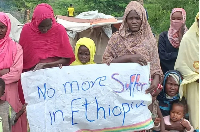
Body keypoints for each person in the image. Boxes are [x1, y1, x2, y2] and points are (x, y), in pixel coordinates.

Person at [18, 3, 75, 104]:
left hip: (55, 81)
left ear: (53, 20)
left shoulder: (59, 30)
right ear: (35, 21)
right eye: (41, 26)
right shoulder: (27, 31)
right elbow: (22, 62)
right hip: (34, 82)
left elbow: (67, 59)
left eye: (48, 26)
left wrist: (47, 65)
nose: (45, 30)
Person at [102, 1, 163, 94]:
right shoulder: (116, 39)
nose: (134, 21)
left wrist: (156, 79)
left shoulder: (149, 40)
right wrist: (129, 58)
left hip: (143, 91)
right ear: (125, 20)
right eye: (131, 18)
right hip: (120, 90)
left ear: (143, 19)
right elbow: (106, 62)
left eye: (137, 18)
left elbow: (156, 67)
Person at [0, 12, 27, 132]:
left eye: (2, 27)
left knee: (11, 122)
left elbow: (16, 74)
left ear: (8, 27)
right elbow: (12, 71)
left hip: (10, 94)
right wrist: (7, 70)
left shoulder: (16, 48)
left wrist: (2, 76)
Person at [174, 12, 199, 130]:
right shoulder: (188, 38)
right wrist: (195, 77)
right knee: (196, 116)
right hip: (194, 84)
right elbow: (180, 64)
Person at [158, 8, 187, 74]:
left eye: (179, 19)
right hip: (167, 74)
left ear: (184, 19)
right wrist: (179, 54)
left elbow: (189, 56)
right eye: (173, 18)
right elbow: (162, 56)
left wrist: (181, 37)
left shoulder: (189, 36)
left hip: (184, 74)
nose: (176, 21)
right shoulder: (163, 36)